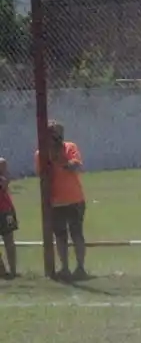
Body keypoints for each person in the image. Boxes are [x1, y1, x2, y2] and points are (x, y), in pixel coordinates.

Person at [35, 120, 88, 281]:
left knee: (77, 234)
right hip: (55, 201)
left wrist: (60, 160)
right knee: (60, 236)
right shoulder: (40, 154)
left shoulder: (70, 147)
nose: (55, 138)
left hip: (75, 199)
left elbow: (76, 165)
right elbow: (41, 174)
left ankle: (80, 267)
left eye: (56, 134)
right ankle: (64, 268)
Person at [0, 156, 17, 279]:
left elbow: (5, 183)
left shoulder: (1, 162)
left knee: (9, 241)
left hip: (5, 210)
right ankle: (1, 270)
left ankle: (13, 271)